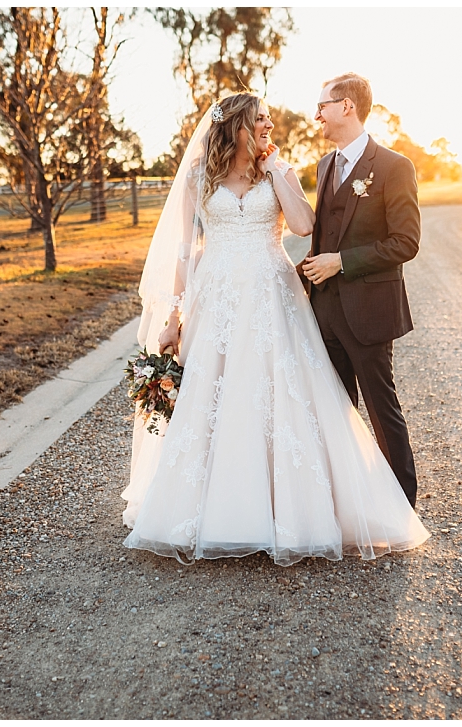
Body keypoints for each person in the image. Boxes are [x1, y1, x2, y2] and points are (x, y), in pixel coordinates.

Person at [121, 92, 429, 566]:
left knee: (286, 397)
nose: (270, 124)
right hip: (218, 299)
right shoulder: (200, 176)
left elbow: (304, 225)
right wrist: (173, 319)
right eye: (261, 118)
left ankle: (299, 509)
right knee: (218, 399)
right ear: (238, 125)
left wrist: (278, 171)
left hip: (274, 294)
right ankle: (220, 512)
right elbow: (184, 252)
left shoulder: (277, 171)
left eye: (268, 118)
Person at [300, 72, 421, 507]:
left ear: (347, 107)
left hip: (369, 311)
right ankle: (349, 505)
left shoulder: (393, 166)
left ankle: (402, 507)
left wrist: (342, 262)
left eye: (323, 106)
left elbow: (405, 242)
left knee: (382, 411)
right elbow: (325, 237)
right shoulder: (323, 166)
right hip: (324, 313)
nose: (317, 116)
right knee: (335, 412)